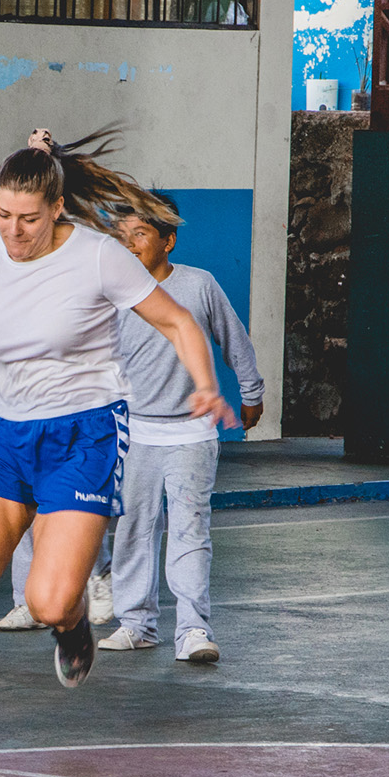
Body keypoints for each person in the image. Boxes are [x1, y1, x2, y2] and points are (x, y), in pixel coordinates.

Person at [0, 129, 236, 754]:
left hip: (84, 432)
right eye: (3, 215)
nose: (13, 230)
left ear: (56, 208)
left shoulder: (96, 257)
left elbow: (177, 321)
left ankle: (71, 626)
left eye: (27, 219)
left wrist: (205, 383)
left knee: (50, 598)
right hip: (5, 435)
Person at [95, 211, 265, 664]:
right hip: (132, 432)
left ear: (168, 241)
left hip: (190, 433)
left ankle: (192, 630)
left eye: (141, 235)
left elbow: (234, 339)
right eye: (122, 236)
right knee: (132, 530)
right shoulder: (112, 291)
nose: (129, 244)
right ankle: (136, 624)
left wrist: (251, 391)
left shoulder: (198, 285)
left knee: (190, 531)